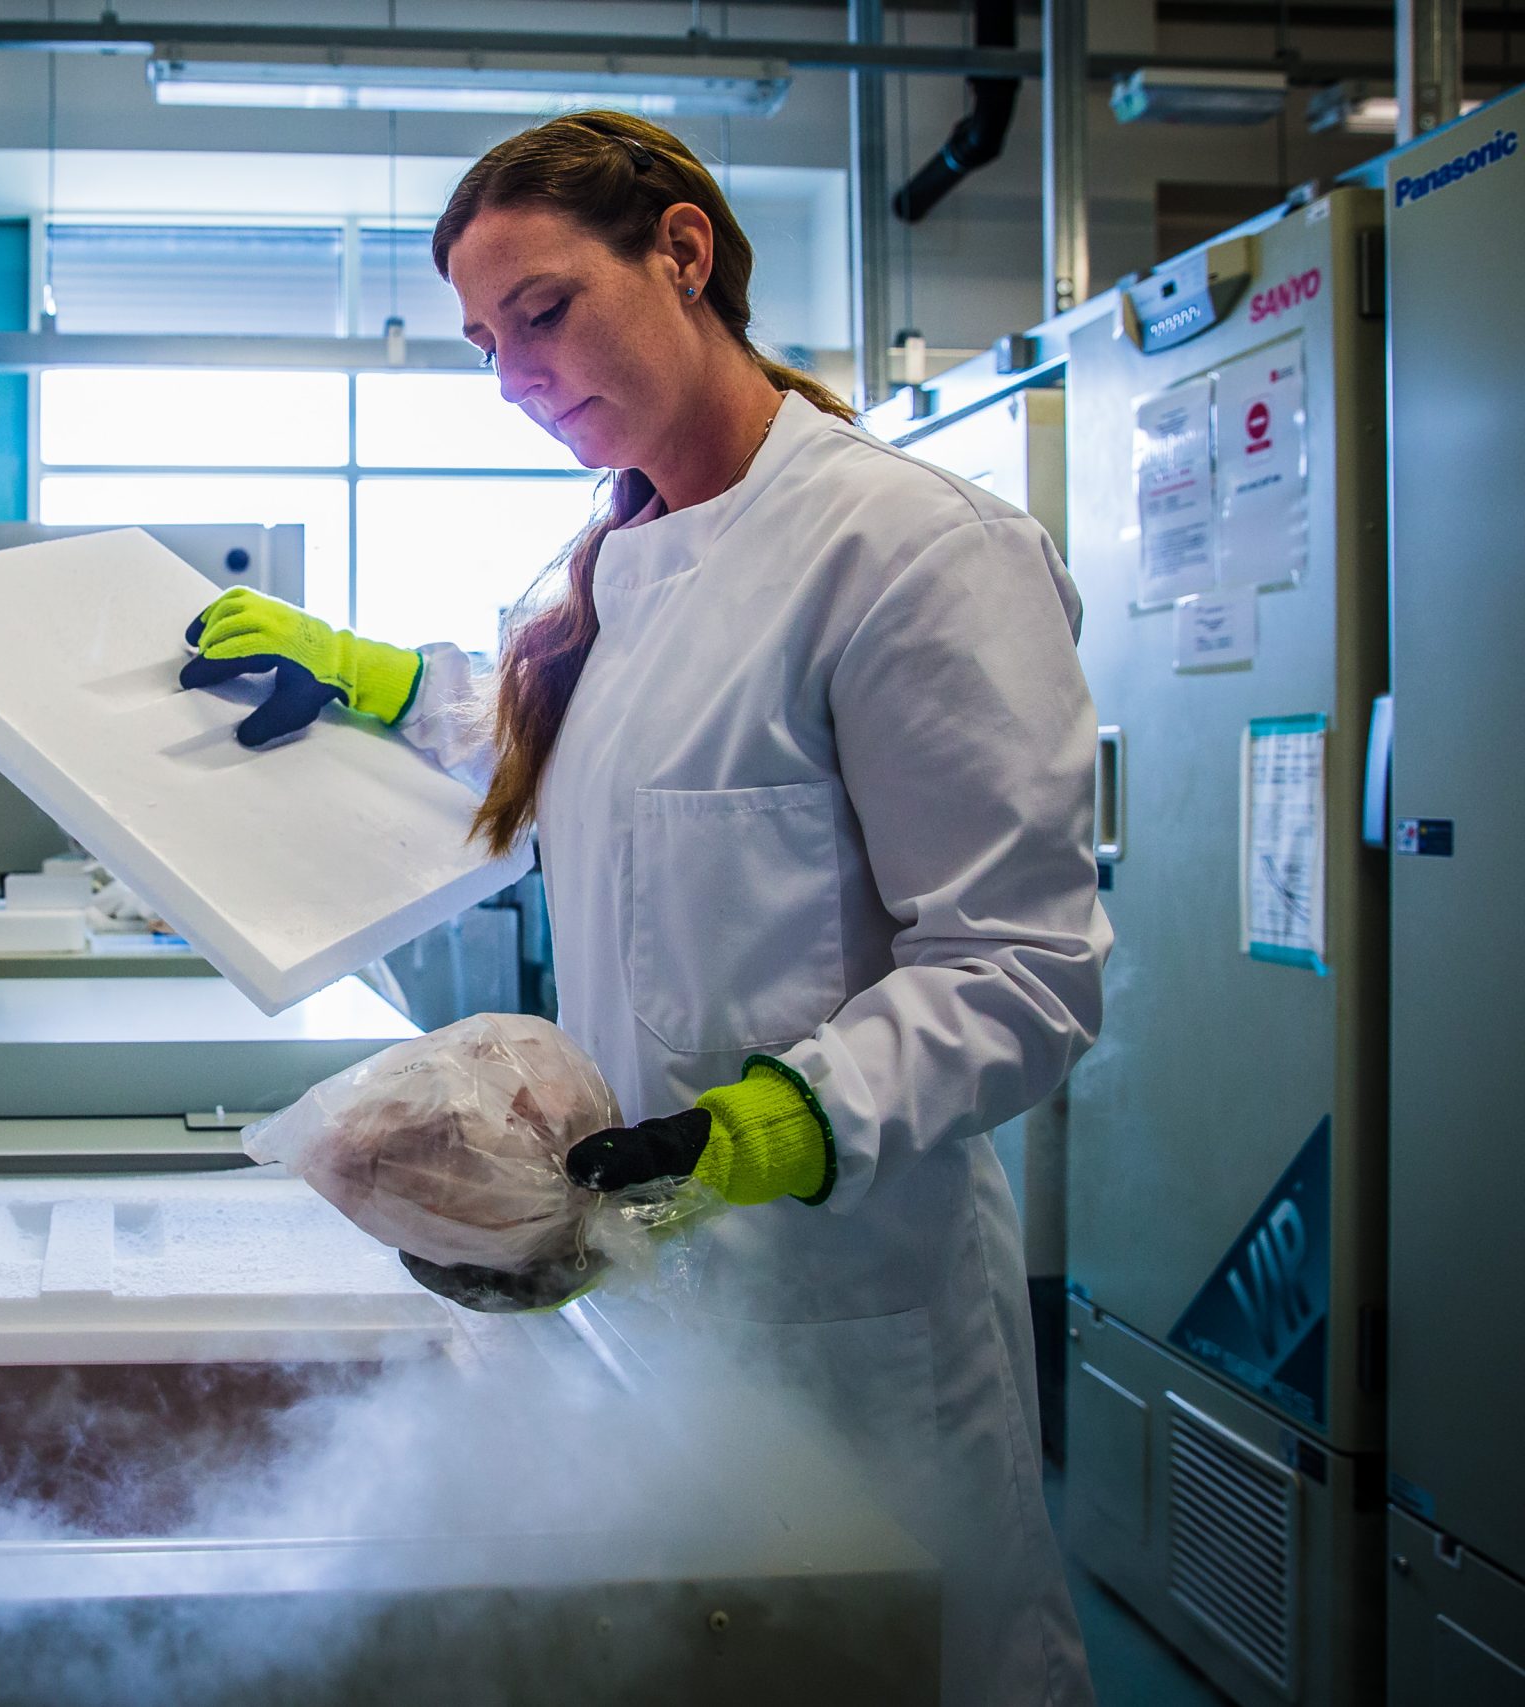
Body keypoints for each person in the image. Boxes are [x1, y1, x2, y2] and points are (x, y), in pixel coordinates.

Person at [178, 111, 1108, 1707]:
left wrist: (770, 1129)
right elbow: (543, 744)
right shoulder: (626, 559)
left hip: (847, 1307)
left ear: (683, 251)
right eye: (482, 344)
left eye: (540, 313)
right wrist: (371, 676)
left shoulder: (907, 549)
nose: (514, 374)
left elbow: (1022, 972)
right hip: (640, 1284)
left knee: (897, 1666)